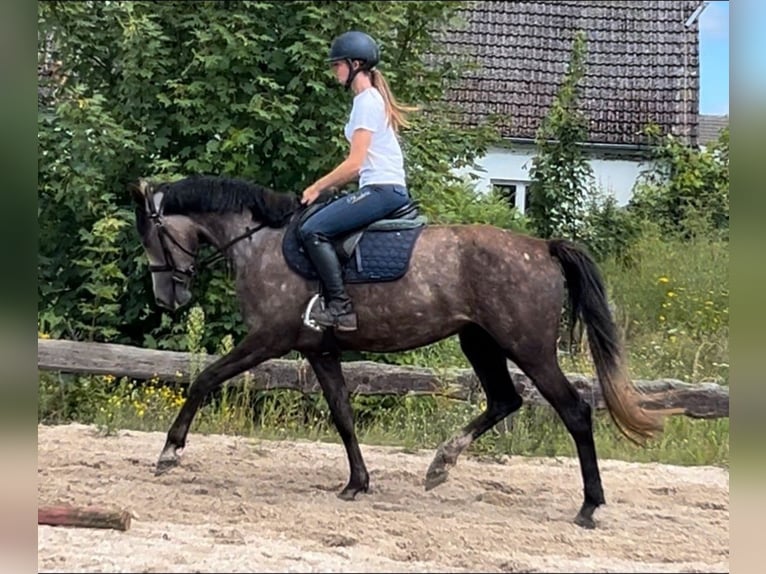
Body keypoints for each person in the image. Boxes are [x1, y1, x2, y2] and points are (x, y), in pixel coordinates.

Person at [298, 30, 417, 332]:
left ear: (355, 64)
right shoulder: (369, 100)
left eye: (337, 64)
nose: (333, 70)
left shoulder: (366, 101)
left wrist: (317, 186)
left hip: (382, 190)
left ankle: (340, 308)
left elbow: (355, 163)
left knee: (313, 229)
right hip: (377, 187)